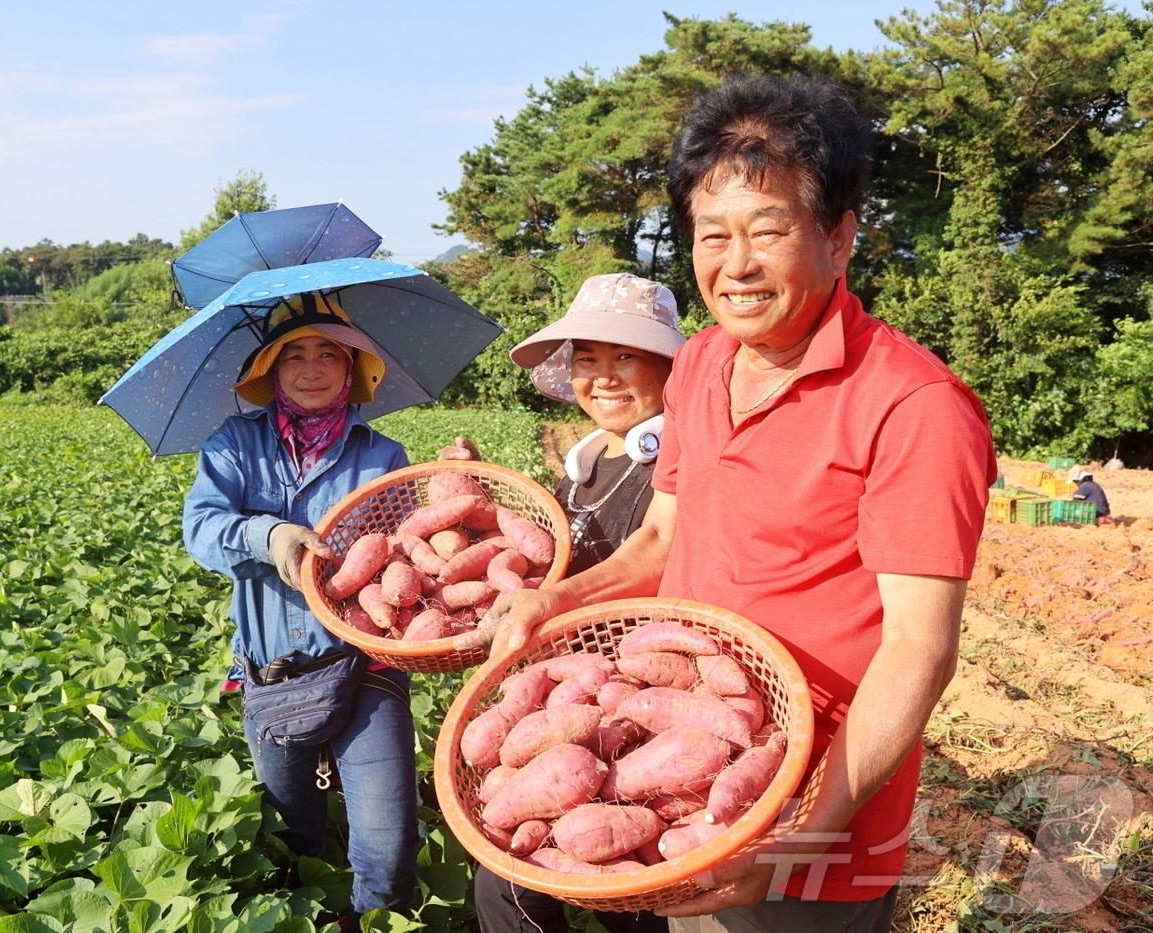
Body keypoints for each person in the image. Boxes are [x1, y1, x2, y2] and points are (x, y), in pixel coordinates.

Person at [487, 74, 996, 932]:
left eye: (768, 230)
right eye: (711, 234)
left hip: (817, 813)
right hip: (692, 775)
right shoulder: (699, 364)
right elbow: (661, 534)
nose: (737, 264)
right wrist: (557, 596)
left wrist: (799, 834)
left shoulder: (913, 406)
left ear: (839, 239)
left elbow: (920, 648)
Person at [453, 272, 684, 933]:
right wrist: (473, 492)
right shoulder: (584, 466)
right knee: (552, 879)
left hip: (634, 706)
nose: (603, 376)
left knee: (612, 886)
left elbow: (653, 555)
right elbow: (547, 555)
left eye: (626, 356)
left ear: (669, 366)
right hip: (567, 698)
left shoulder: (673, 463)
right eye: (588, 358)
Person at [182, 295, 418, 920]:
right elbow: (202, 529)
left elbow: (414, 555)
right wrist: (268, 534)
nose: (311, 368)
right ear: (271, 368)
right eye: (294, 354)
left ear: (352, 370)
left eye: (329, 355)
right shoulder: (235, 444)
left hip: (368, 665)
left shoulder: (382, 456)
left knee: (389, 848)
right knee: (296, 838)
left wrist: (456, 494)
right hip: (275, 671)